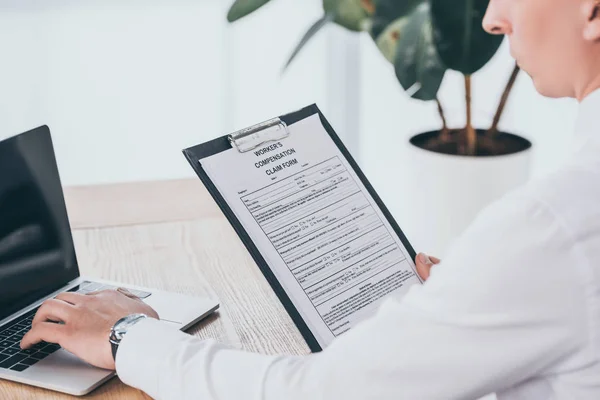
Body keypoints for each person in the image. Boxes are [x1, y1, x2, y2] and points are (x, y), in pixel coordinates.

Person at [19, 0, 600, 398]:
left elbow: (316, 393)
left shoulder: (552, 224)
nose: (494, 18)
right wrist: (472, 311)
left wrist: (126, 336)